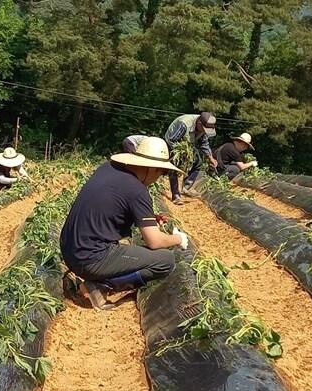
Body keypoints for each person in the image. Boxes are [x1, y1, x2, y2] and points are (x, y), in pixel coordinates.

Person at [60, 136, 188, 310]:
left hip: (69, 250)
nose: (160, 177)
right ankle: (98, 287)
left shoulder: (108, 168)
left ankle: (94, 279)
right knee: (165, 260)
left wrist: (147, 217)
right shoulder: (137, 190)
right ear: (151, 168)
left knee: (136, 248)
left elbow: (111, 209)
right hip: (89, 258)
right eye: (161, 172)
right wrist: (178, 239)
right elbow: (155, 241)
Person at [163, 111, 218, 204]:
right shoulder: (184, 123)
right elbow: (171, 140)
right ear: (199, 123)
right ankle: (176, 195)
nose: (205, 132)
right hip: (173, 145)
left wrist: (210, 158)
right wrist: (182, 153)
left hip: (188, 145)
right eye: (204, 129)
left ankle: (186, 187)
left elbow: (204, 144)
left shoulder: (203, 127)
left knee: (198, 163)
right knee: (174, 167)